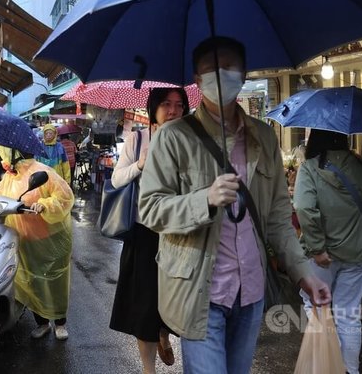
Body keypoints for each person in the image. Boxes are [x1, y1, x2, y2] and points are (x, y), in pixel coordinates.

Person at [139, 36, 331, 374]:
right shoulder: (173, 138)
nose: (220, 74)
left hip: (251, 291)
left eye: (229, 67)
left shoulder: (264, 137)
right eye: (210, 69)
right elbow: (151, 209)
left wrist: (304, 273)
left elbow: (276, 219)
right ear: (197, 81)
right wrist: (205, 200)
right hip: (199, 291)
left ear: (243, 75)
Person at [294, 129, 362, 374]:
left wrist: (316, 248)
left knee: (315, 305)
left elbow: (303, 208)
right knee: (348, 313)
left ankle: (325, 365)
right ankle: (350, 370)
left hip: (321, 256)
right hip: (357, 251)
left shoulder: (310, 168)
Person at [110, 87, 190, 374]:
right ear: (153, 107)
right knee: (145, 304)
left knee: (175, 299)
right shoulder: (138, 138)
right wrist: (140, 164)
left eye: (179, 105)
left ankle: (164, 334)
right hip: (145, 234)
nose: (173, 111)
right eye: (167, 104)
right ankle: (148, 369)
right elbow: (117, 179)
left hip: (179, 234)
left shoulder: (190, 140)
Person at [0, 146, 74, 341]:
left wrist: (46, 204)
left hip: (49, 240)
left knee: (54, 283)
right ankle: (42, 323)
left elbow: (65, 196)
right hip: (25, 240)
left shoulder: (41, 172)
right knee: (33, 283)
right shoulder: (10, 178)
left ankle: (60, 322)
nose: (2, 156)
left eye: (4, 152)